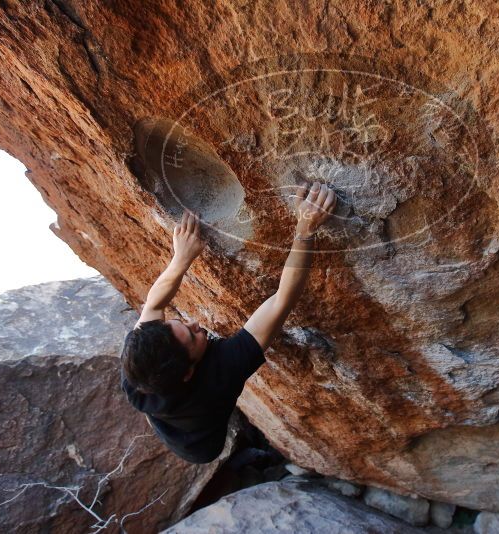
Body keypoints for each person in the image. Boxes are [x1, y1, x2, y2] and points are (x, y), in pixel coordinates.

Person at [120, 181, 337, 464]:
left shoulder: (136, 372)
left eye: (181, 323)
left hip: (160, 405)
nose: (197, 324)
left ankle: (166, 414)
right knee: (204, 450)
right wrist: (305, 230)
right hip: (202, 445)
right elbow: (282, 300)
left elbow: (154, 305)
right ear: (188, 373)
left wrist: (181, 259)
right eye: (193, 336)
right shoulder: (221, 375)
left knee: (155, 412)